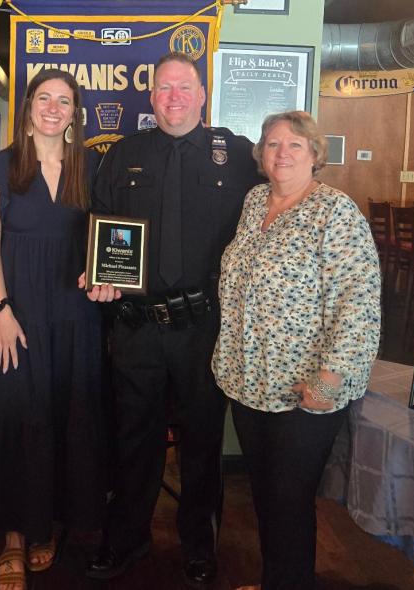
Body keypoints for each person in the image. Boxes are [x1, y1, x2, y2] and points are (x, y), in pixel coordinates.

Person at [82, 52, 263, 588]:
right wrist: (95, 272)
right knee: (132, 439)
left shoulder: (238, 155)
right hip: (136, 326)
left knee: (202, 443)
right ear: (151, 96)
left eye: (185, 88)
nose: (174, 97)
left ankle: (199, 547)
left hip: (204, 328)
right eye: (164, 88)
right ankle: (128, 538)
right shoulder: (123, 154)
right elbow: (98, 223)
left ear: (203, 95)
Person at [211, 111, 381, 590]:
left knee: (288, 500)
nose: (281, 152)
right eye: (272, 144)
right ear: (260, 155)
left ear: (314, 155)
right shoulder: (253, 201)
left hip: (305, 389)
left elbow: (358, 301)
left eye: (294, 145)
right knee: (265, 498)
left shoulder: (335, 210)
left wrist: (331, 379)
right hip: (248, 381)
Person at [0, 68, 105, 590]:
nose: (52, 107)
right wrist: (1, 309)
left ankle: (48, 524)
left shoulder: (89, 167)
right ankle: (14, 538)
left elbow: (107, 233)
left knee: (65, 413)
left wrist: (104, 270)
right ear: (28, 107)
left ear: (75, 114)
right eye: (44, 98)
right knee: (14, 415)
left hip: (74, 315)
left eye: (63, 101)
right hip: (15, 315)